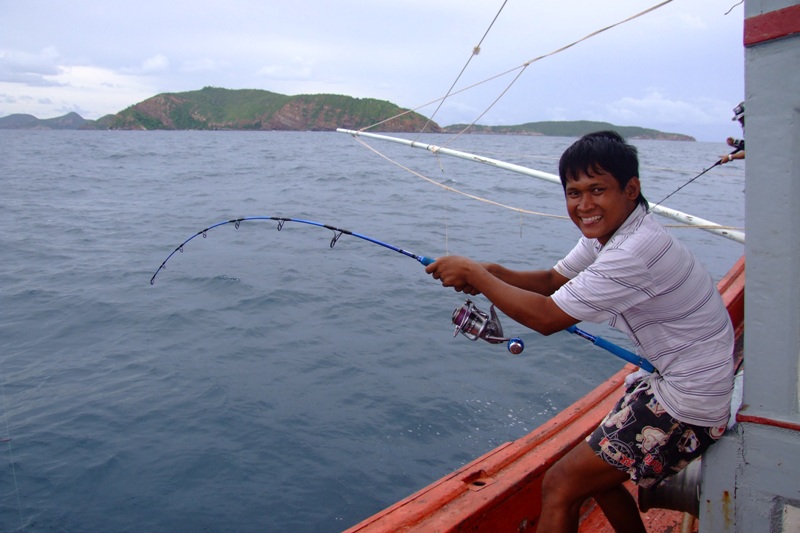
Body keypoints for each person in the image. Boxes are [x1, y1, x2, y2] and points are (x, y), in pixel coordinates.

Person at [425, 130, 734, 533]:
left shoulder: (632, 252)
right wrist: (492, 273)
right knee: (594, 473)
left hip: (691, 401)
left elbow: (549, 317)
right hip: (678, 379)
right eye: (573, 193)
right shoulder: (613, 233)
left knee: (560, 483)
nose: (584, 205)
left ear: (631, 188)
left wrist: (476, 276)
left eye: (597, 189)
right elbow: (554, 280)